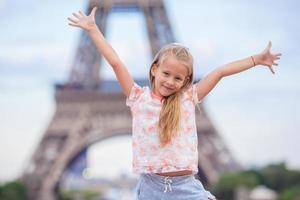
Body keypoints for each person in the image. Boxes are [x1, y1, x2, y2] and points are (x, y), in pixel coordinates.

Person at [67, 7, 281, 200]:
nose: (170, 81)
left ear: (185, 81)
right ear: (154, 70)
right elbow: (115, 62)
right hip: (151, 187)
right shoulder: (138, 98)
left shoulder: (187, 100)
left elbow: (220, 72)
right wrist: (93, 30)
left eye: (178, 78)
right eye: (166, 74)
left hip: (186, 187)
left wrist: (256, 59)